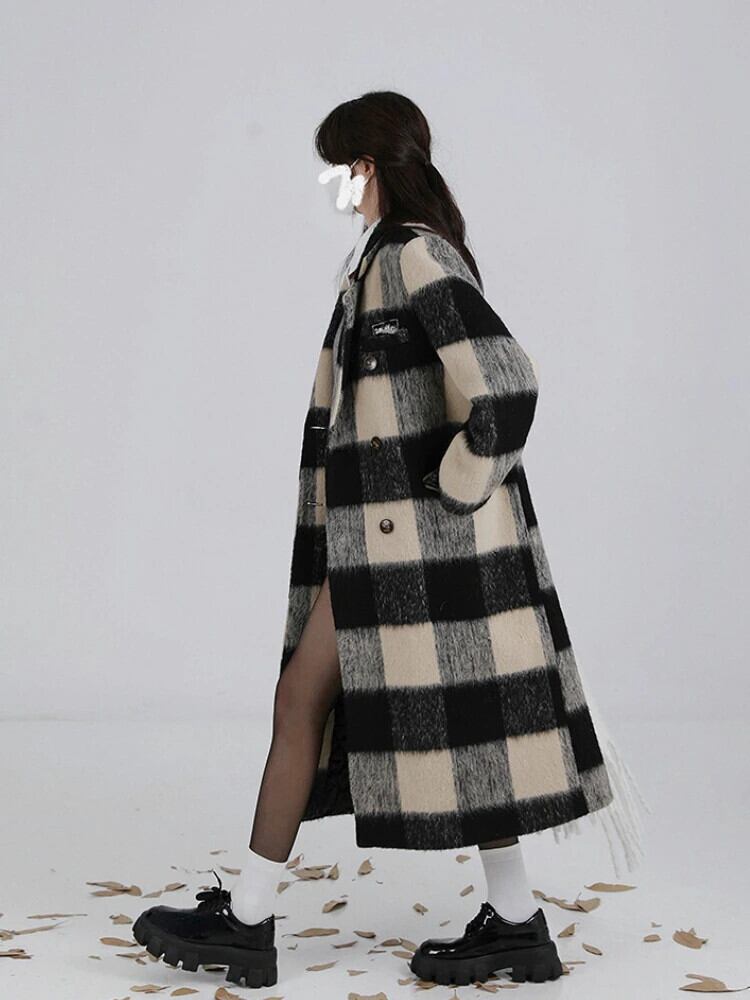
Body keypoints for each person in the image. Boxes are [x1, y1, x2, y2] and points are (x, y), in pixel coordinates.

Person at [132, 91, 647, 991]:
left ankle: (247, 922)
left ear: (365, 166)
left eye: (338, 166)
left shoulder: (413, 254)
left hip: (405, 553)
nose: (331, 183)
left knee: (302, 698)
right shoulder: (380, 256)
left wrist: (451, 486)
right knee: (469, 730)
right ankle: (515, 922)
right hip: (395, 551)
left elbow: (507, 383)